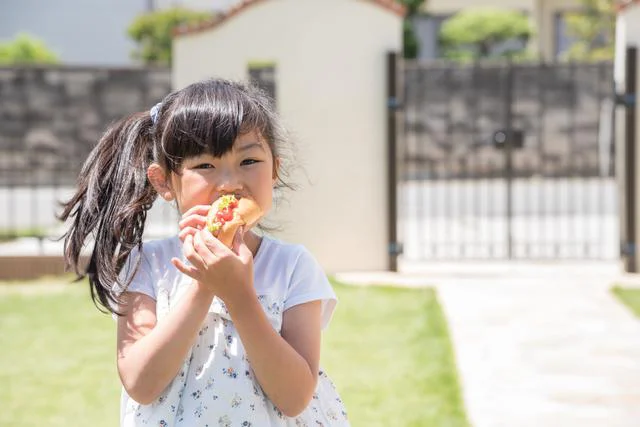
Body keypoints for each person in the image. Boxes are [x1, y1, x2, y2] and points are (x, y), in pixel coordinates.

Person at [59, 79, 350, 426]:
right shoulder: (147, 265)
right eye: (205, 166)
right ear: (164, 182)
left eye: (249, 160)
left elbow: (294, 397)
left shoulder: (292, 266)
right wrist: (204, 285)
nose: (229, 182)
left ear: (275, 170)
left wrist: (240, 296)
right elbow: (141, 383)